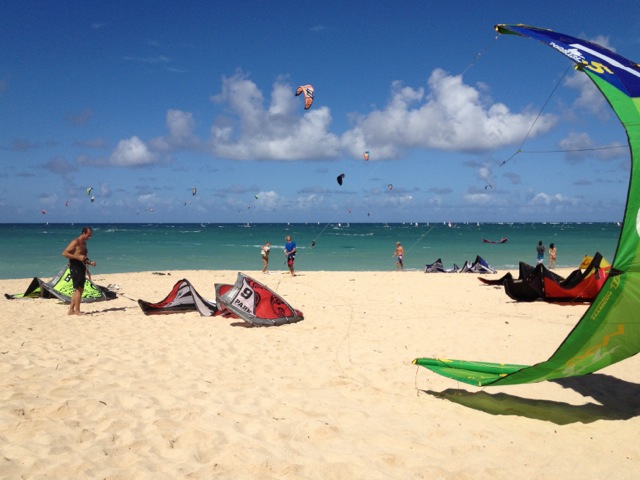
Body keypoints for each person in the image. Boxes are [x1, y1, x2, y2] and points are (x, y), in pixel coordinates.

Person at [61, 226, 96, 315]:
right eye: (88, 235)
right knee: (78, 289)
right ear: (83, 233)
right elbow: (65, 253)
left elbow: (82, 256)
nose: (89, 237)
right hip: (75, 266)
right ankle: (77, 311)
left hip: (81, 266)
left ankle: (71, 310)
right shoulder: (75, 242)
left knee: (78, 289)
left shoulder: (84, 243)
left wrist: (89, 262)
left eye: (90, 235)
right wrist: (78, 257)